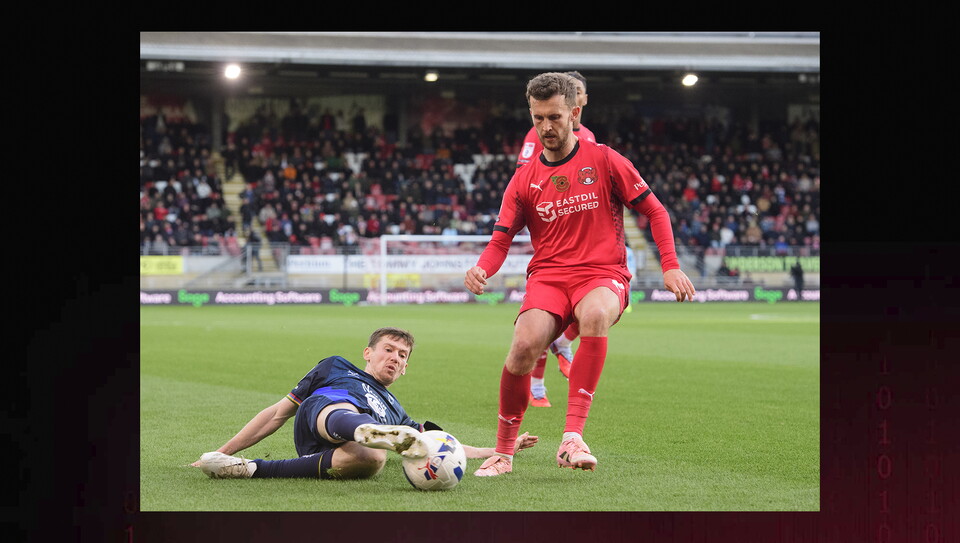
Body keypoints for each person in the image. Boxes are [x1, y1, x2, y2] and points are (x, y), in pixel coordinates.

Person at [463, 72, 695, 477]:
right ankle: (502, 454)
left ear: (573, 113)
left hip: (602, 273)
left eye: (554, 117)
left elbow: (655, 211)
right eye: (538, 118)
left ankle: (572, 437)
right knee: (522, 347)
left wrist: (670, 265)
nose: (546, 127)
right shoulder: (523, 178)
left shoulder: (605, 159)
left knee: (594, 316)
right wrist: (481, 268)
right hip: (549, 278)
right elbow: (501, 239)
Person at [192, 327, 538, 480]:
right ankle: (365, 429)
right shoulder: (335, 366)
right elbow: (278, 414)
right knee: (341, 410)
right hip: (326, 412)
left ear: (405, 368)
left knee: (373, 458)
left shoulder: (396, 409)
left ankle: (248, 469)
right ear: (368, 353)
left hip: (338, 452)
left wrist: (499, 449)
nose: (394, 358)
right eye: (388, 349)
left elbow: (442, 446)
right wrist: (224, 447)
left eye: (402, 355)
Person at [516, 71, 595, 407]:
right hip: (552, 228)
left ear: (582, 101)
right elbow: (526, 172)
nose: (574, 95)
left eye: (578, 91)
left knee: (591, 306)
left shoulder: (590, 138)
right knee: (546, 315)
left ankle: (564, 343)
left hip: (585, 232)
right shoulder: (538, 134)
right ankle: (536, 387)